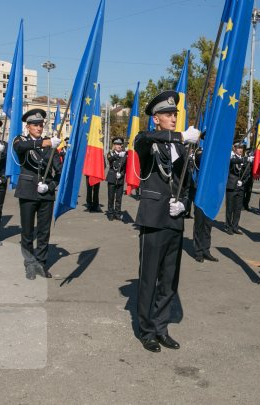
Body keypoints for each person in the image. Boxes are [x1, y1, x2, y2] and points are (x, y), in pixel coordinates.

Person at [133, 90, 200, 352]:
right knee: (149, 277)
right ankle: (146, 330)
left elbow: (188, 183)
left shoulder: (181, 148)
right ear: (156, 119)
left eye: (175, 114)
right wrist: (181, 136)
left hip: (174, 218)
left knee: (169, 278)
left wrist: (184, 202)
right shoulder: (147, 142)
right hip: (153, 218)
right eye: (168, 114)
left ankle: (161, 327)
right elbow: (143, 138)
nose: (173, 118)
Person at [13, 108, 62, 279]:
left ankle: (41, 263)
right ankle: (29, 262)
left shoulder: (51, 145)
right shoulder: (21, 140)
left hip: (46, 193)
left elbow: (60, 170)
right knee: (27, 230)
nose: (39, 128)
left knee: (44, 230)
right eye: (35, 125)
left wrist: (51, 185)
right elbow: (20, 147)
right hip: (27, 191)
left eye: (41, 125)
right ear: (28, 127)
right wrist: (44, 143)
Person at [192, 146, 218, 263]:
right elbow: (200, 159)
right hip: (200, 194)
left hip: (210, 195)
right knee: (199, 224)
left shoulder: (215, 155)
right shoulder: (201, 154)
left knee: (208, 224)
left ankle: (206, 250)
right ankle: (198, 252)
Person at [224, 142, 250, 235]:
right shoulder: (231, 157)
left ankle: (235, 226)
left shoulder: (244, 160)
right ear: (234, 148)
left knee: (238, 208)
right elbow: (231, 162)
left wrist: (242, 182)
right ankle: (228, 226)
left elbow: (248, 173)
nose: (240, 150)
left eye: (241, 148)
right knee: (230, 208)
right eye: (238, 148)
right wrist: (244, 159)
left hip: (240, 187)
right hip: (231, 186)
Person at [106, 137, 126, 221]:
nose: (119, 146)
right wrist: (117, 155)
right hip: (112, 178)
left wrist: (121, 174)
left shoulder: (124, 154)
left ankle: (117, 213)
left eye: (120, 144)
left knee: (119, 198)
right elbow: (110, 159)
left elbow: (125, 167)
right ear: (114, 145)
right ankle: (110, 213)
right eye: (117, 144)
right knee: (111, 197)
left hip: (120, 179)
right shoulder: (110, 153)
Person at [242, 148, 255, 213]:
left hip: (250, 178)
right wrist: (248, 160)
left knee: (249, 192)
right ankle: (242, 205)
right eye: (250, 153)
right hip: (244, 178)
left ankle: (246, 205)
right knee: (243, 192)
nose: (251, 154)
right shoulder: (244, 159)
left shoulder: (253, 161)